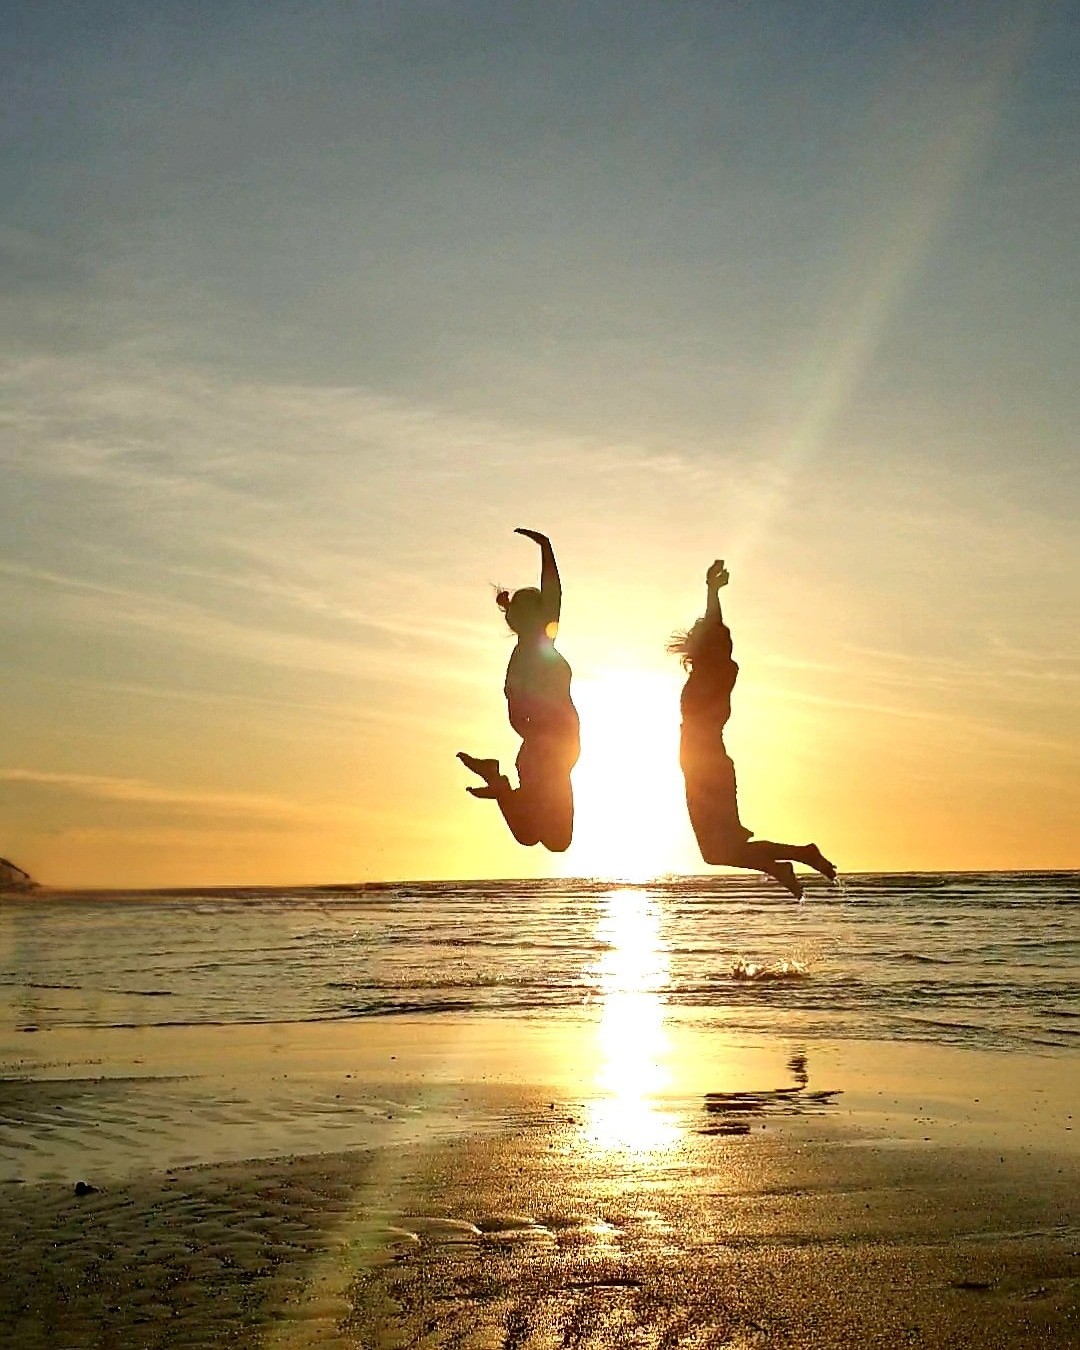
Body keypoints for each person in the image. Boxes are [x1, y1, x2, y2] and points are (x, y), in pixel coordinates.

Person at [671, 558, 836, 898]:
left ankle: (799, 855)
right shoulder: (713, 671)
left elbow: (715, 630)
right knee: (719, 851)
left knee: (717, 851)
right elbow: (715, 632)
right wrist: (711, 592)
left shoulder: (717, 672)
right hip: (702, 766)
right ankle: (785, 863)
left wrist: (712, 592)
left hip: (706, 767)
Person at [458, 529, 580, 852]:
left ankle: (496, 782)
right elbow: (555, 593)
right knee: (555, 840)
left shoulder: (520, 657)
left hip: (541, 750)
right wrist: (546, 548)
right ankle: (497, 784)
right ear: (538, 616)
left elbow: (514, 710)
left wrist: (533, 737)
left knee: (533, 835)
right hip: (552, 751)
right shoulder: (542, 644)